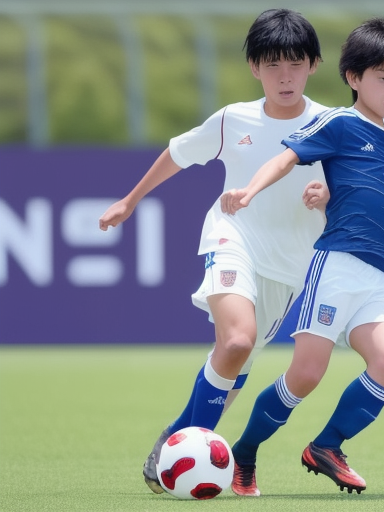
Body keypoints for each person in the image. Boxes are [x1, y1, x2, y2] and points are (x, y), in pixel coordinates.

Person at [221, 17, 384, 496]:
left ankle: (326, 446)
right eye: (383, 78)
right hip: (335, 265)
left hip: (378, 277)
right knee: (306, 375)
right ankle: (244, 452)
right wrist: (250, 189)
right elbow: (286, 157)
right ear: (353, 77)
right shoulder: (340, 123)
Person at [99, 9, 329, 494]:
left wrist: (327, 195)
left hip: (290, 268)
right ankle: (190, 458)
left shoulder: (333, 125)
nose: (284, 76)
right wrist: (130, 201)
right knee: (237, 341)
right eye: (272, 65)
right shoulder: (232, 119)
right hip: (233, 238)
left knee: (236, 365)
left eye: (295, 64)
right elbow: (178, 153)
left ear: (313, 65)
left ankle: (175, 437)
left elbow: (356, 191)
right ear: (254, 67)